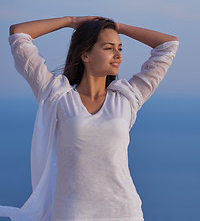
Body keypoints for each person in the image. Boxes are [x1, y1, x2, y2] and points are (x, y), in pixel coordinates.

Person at [0, 16, 179, 221]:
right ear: (85, 54)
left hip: (124, 211)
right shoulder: (57, 96)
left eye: (120, 48)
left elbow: (168, 45)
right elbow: (19, 34)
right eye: (108, 48)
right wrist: (71, 21)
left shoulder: (128, 98)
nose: (118, 55)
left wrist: (115, 26)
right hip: (72, 213)